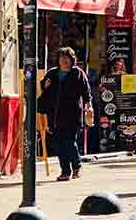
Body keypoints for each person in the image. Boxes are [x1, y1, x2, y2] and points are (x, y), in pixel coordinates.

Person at [38, 47, 94, 181]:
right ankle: (65, 171)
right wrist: (44, 86)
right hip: (55, 116)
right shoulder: (52, 73)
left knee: (69, 142)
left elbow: (87, 94)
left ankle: (76, 166)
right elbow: (43, 89)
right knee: (58, 144)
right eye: (61, 57)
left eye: (66, 58)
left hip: (73, 115)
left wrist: (89, 107)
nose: (63, 60)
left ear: (71, 60)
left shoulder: (78, 73)